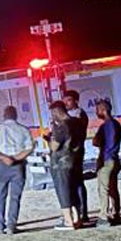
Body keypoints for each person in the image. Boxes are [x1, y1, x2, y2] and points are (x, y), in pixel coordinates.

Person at [0, 104, 34, 234]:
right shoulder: (23, 130)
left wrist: (3, 158)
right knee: (15, 196)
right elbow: (29, 148)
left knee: (0, 195)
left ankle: (0, 225)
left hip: (1, 166)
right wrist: (15, 158)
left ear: (4, 116)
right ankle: (11, 225)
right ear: (16, 116)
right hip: (18, 165)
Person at [47, 102, 80, 230]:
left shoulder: (62, 126)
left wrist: (50, 137)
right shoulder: (76, 122)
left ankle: (68, 221)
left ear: (57, 112)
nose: (52, 116)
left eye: (53, 113)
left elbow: (54, 146)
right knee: (73, 190)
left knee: (63, 190)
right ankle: (77, 219)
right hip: (74, 160)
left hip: (61, 163)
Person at [92, 99, 121, 226]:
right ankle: (115, 213)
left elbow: (97, 142)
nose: (96, 112)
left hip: (107, 161)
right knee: (113, 189)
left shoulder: (107, 126)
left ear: (104, 110)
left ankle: (103, 216)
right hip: (115, 159)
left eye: (98, 110)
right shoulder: (116, 124)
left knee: (103, 189)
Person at [63, 90, 90, 223]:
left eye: (68, 100)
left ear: (75, 101)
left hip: (77, 151)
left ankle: (83, 212)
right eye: (65, 100)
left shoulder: (80, 114)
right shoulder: (69, 114)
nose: (66, 103)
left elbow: (78, 132)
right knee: (73, 183)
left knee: (78, 182)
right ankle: (77, 211)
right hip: (69, 152)